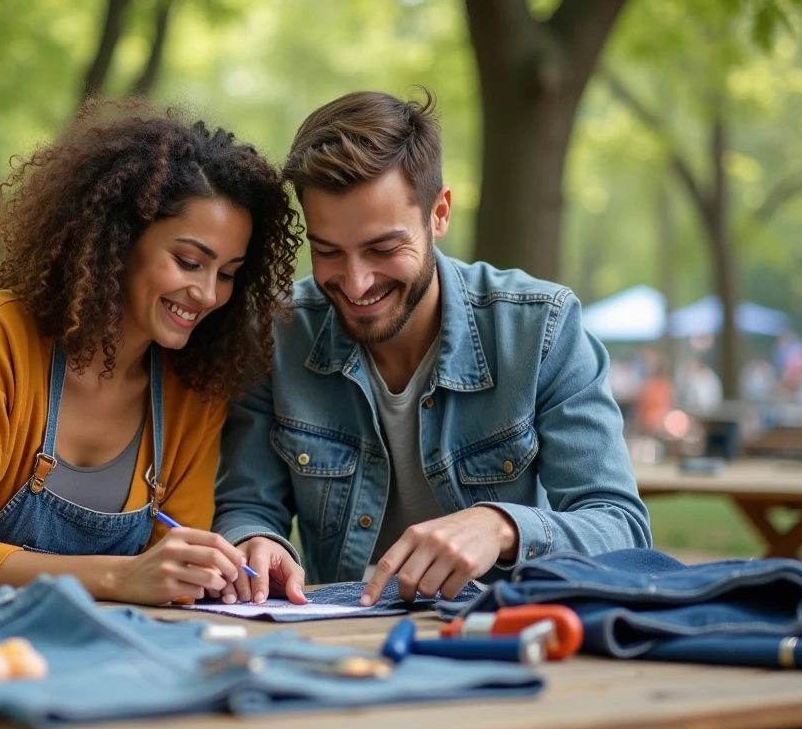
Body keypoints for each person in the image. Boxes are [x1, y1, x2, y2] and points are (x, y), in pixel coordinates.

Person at [0, 101, 300, 608]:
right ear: (120, 238)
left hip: (66, 645)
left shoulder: (195, 389)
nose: (208, 294)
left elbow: (173, 570)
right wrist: (120, 576)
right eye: (188, 261)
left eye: (227, 273)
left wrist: (215, 570)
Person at [213, 89, 651, 608]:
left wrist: (500, 527)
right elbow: (247, 504)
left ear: (439, 214)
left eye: (383, 248)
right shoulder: (277, 335)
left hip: (500, 631)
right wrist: (254, 540)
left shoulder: (541, 329)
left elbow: (622, 528)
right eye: (327, 251)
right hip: (337, 633)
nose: (355, 283)